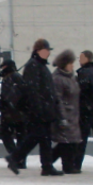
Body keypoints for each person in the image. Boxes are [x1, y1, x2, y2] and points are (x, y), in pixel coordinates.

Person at [6, 38, 63, 176]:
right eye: (46, 50)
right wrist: (38, 108)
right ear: (39, 51)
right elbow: (33, 90)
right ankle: (15, 158)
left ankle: (46, 166)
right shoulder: (33, 66)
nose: (48, 53)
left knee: (44, 139)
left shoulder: (41, 65)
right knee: (36, 137)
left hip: (45, 109)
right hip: (38, 110)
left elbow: (46, 89)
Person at [50, 49, 82, 173]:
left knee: (70, 142)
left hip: (73, 114)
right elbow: (58, 99)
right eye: (70, 63)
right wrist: (62, 116)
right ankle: (66, 166)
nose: (72, 66)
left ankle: (51, 162)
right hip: (65, 114)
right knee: (66, 143)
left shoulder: (71, 77)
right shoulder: (58, 79)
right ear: (64, 64)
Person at [0, 59, 26, 169]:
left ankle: (16, 157)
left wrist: (2, 107)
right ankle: (20, 159)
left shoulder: (9, 79)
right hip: (19, 113)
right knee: (21, 136)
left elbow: (5, 96)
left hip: (10, 113)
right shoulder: (18, 77)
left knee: (6, 135)